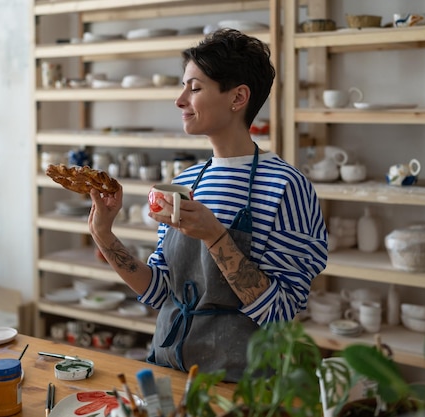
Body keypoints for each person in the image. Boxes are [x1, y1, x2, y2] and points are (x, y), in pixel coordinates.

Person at [88, 28, 327, 382]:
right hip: (169, 369)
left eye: (194, 88)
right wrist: (104, 235)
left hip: (241, 385)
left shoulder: (286, 187)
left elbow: (280, 314)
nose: (180, 100)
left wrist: (216, 237)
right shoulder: (185, 182)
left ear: (238, 97)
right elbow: (161, 292)